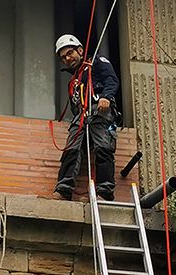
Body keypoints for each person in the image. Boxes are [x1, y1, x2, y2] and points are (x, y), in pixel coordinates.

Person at [53, 34, 120, 201]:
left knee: (103, 147)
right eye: (63, 58)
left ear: (80, 50)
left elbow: (111, 79)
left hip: (99, 110)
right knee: (71, 149)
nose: (67, 59)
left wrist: (106, 97)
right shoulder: (74, 80)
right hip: (82, 116)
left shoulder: (95, 62)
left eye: (70, 53)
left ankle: (104, 192)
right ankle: (64, 189)